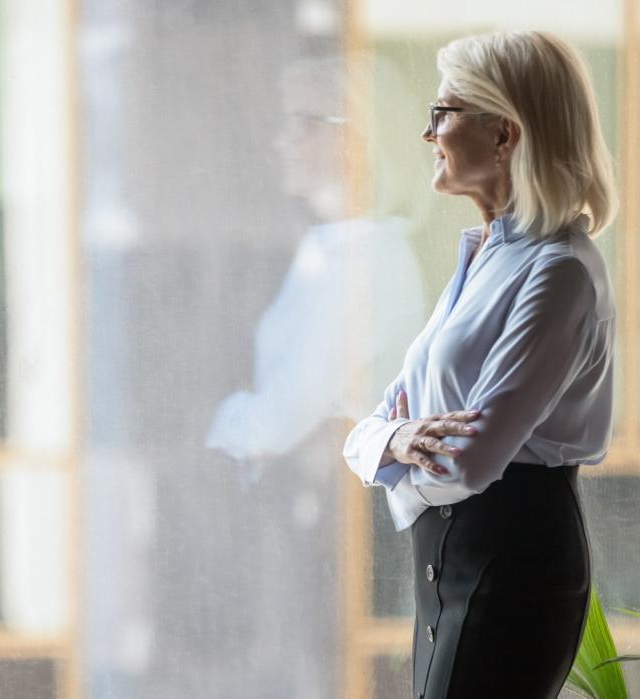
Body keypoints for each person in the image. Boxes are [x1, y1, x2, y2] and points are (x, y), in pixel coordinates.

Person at [342, 31, 618, 699]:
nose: (427, 133)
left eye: (445, 112)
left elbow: (470, 458)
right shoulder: (484, 256)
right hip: (446, 559)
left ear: (504, 136)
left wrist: (394, 450)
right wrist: (399, 438)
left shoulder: (559, 271)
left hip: (511, 560)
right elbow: (370, 430)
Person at [205, 56, 425, 698]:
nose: (283, 140)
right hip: (306, 531)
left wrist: (219, 425)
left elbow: (277, 421)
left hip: (337, 536)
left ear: (361, 137)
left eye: (305, 122)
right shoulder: (331, 250)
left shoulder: (367, 259)